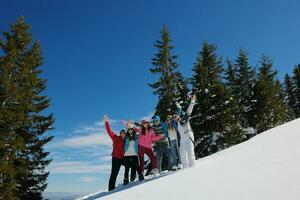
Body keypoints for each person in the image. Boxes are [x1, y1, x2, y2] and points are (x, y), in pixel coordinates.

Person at [173, 94, 197, 168]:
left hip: (189, 138)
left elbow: (189, 110)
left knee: (190, 154)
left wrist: (192, 101)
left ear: (179, 116)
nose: (174, 118)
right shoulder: (176, 123)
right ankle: (185, 169)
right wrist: (176, 103)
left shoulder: (185, 118)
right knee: (183, 154)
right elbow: (179, 108)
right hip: (183, 140)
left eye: (175, 116)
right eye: (173, 117)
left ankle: (193, 167)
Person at [104, 114, 126, 191]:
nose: (122, 135)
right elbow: (109, 131)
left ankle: (127, 182)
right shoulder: (115, 138)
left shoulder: (126, 141)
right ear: (120, 134)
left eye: (124, 133)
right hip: (116, 159)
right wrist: (106, 122)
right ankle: (111, 189)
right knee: (114, 174)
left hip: (123, 158)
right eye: (121, 133)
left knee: (132, 164)